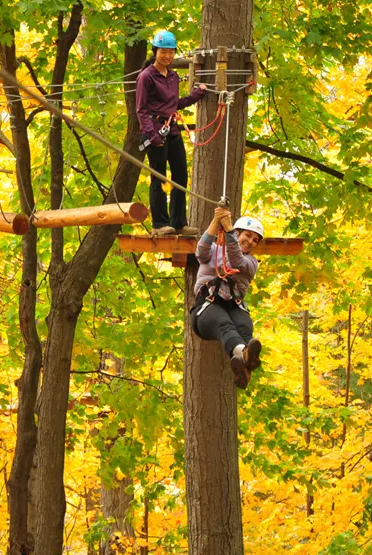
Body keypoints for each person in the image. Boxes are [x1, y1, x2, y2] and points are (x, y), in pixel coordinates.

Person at [136, 29, 208, 236]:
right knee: (158, 177)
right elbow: (140, 109)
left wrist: (197, 95)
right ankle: (160, 224)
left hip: (172, 130)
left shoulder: (173, 76)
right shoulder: (146, 77)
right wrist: (152, 135)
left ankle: (178, 223)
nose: (167, 56)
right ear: (155, 52)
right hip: (154, 130)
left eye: (170, 52)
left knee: (180, 176)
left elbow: (175, 104)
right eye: (163, 52)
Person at [189, 207, 264, 389]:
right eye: (247, 235)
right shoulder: (214, 250)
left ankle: (244, 362)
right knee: (224, 324)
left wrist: (229, 232)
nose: (251, 242)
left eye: (255, 240)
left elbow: (237, 260)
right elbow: (200, 252)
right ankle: (244, 355)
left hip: (233, 305)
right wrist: (216, 222)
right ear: (237, 233)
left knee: (245, 328)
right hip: (207, 307)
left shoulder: (251, 263)